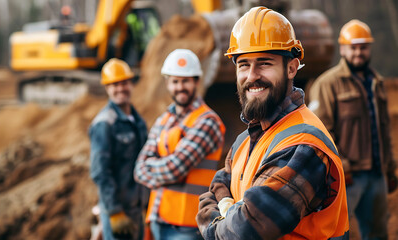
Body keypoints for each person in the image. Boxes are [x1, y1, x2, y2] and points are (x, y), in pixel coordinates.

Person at [196, 6, 349, 239]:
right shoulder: (245, 141)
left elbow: (247, 229)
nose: (252, 75)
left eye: (265, 63)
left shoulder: (304, 145)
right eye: (243, 64)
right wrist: (227, 212)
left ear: (291, 68)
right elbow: (216, 187)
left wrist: (214, 224)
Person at [309, 19, 398, 239]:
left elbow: (383, 130)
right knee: (337, 234)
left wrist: (389, 169)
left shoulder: (376, 82)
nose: (358, 52)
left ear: (369, 48)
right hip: (346, 178)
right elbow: (321, 132)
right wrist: (344, 166)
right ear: (342, 49)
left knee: (377, 234)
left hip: (376, 175)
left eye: (363, 47)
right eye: (353, 47)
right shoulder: (327, 84)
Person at [134, 49, 226, 240]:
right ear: (168, 83)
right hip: (158, 218)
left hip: (188, 226)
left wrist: (153, 166)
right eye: (175, 81)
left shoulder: (207, 121)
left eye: (185, 81)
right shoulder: (164, 119)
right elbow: (139, 168)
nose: (180, 87)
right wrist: (160, 167)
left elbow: (176, 168)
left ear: (196, 82)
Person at [89, 58, 148, 240]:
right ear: (107, 88)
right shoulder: (105, 123)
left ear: (131, 83)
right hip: (118, 211)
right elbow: (100, 171)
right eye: (114, 85)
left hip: (136, 207)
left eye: (123, 83)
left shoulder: (137, 121)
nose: (120, 88)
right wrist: (114, 211)